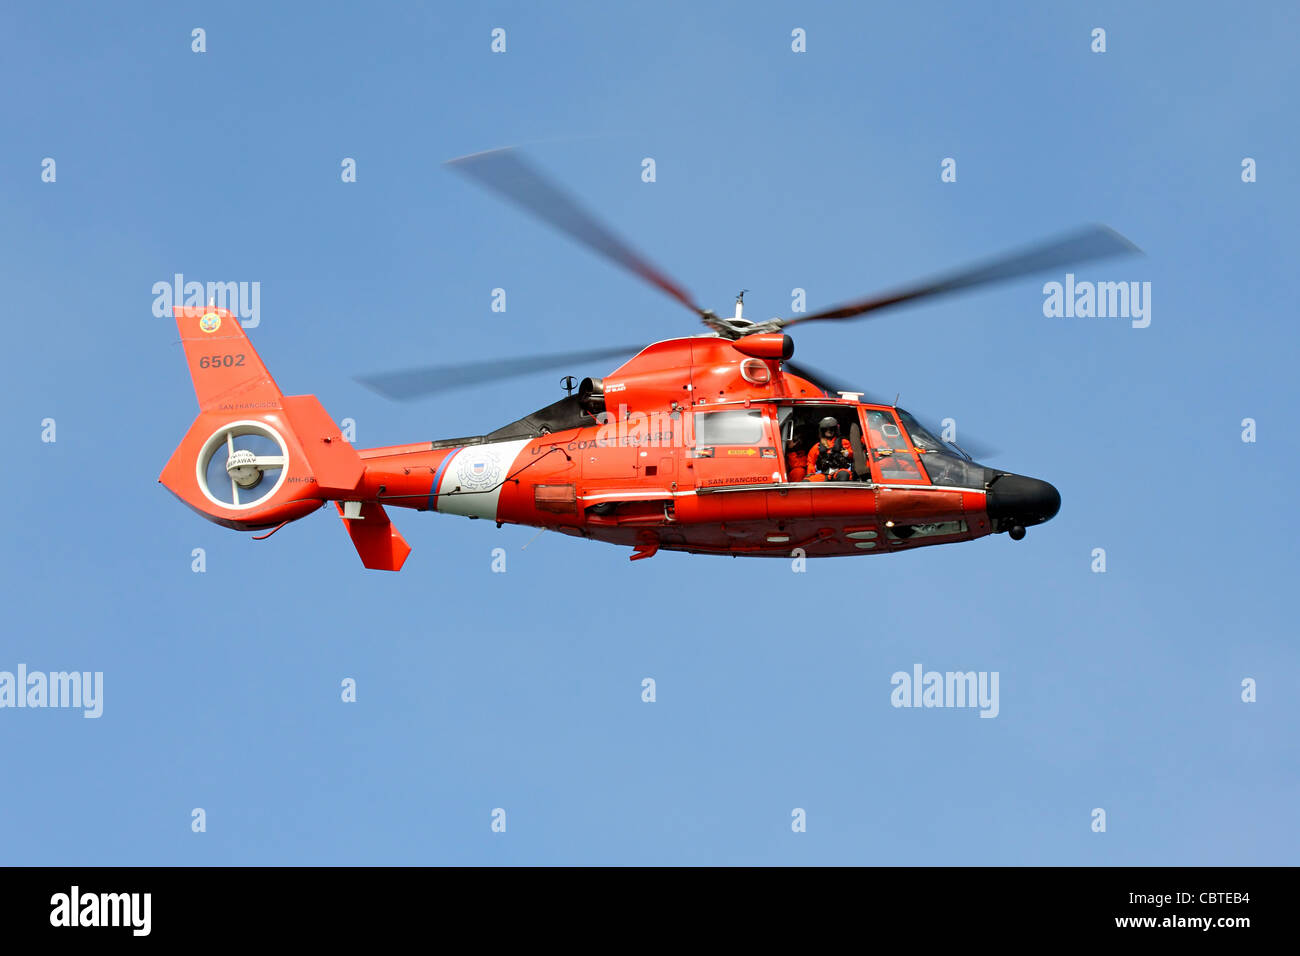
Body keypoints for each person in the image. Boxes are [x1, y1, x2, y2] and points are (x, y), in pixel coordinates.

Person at [805, 417, 854, 482]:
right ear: (822, 431)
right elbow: (810, 463)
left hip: (840, 471)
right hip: (824, 474)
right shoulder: (817, 447)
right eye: (826, 429)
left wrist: (847, 453)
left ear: (835, 430)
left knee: (843, 475)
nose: (829, 431)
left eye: (831, 429)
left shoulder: (844, 442)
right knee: (807, 481)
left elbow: (853, 455)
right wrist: (810, 474)